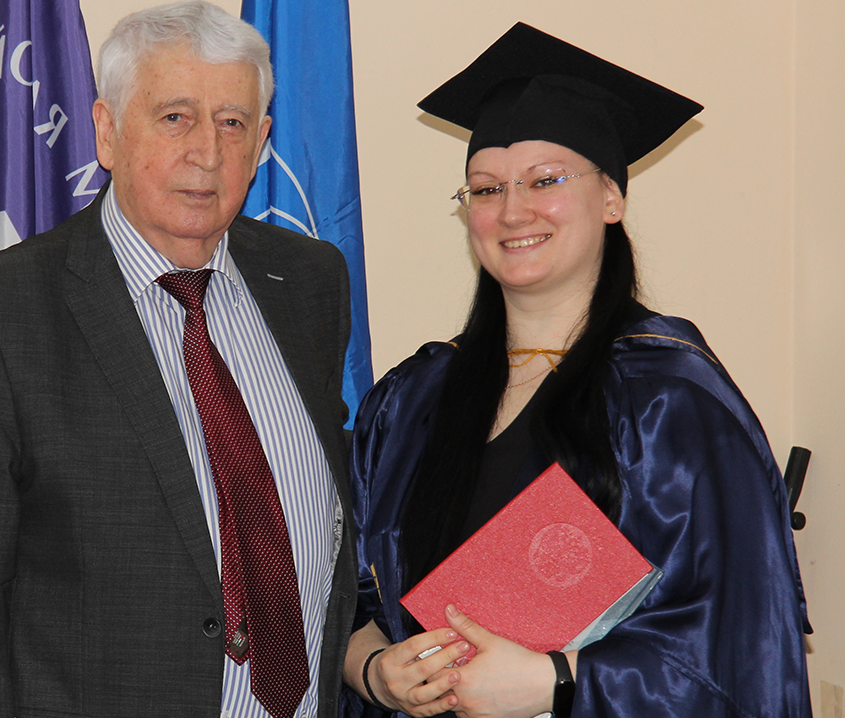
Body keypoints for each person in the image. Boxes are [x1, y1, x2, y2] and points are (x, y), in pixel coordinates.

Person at [0, 3, 356, 717]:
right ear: (107, 132)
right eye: (175, 117)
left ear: (262, 140)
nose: (207, 152)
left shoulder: (309, 282)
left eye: (232, 123)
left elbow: (325, 533)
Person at [342, 22, 811, 718]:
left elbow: (739, 642)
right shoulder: (410, 401)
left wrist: (558, 681)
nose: (513, 210)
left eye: (547, 180)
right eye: (485, 189)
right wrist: (376, 672)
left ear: (613, 198)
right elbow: (342, 596)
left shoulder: (673, 402)